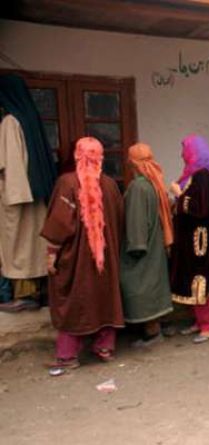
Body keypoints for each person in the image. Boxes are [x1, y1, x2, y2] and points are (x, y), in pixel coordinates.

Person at [41, 137, 124, 376]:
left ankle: (67, 356)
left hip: (76, 258)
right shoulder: (109, 185)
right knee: (104, 296)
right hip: (105, 257)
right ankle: (104, 347)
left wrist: (52, 254)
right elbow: (119, 220)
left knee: (73, 300)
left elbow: (59, 224)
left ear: (78, 155)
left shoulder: (67, 184)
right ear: (100, 158)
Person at [0, 74, 58, 313]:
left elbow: (9, 164)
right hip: (34, 194)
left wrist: (10, 195)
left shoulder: (10, 122)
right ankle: (39, 293)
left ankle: (24, 296)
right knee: (33, 246)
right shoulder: (30, 120)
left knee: (19, 248)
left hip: (18, 197)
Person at [169, 134, 209, 344]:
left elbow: (202, 209)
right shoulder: (193, 175)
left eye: (186, 150)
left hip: (200, 239)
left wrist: (178, 195)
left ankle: (208, 325)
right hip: (189, 238)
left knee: (201, 279)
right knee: (190, 278)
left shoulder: (204, 177)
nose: (182, 154)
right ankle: (198, 321)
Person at [120, 143, 173, 347]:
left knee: (140, 285)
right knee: (153, 283)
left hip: (143, 245)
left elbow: (136, 220)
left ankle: (152, 332)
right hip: (155, 243)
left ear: (132, 162)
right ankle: (157, 327)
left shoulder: (138, 187)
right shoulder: (153, 182)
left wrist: (135, 245)